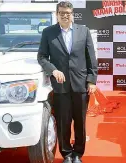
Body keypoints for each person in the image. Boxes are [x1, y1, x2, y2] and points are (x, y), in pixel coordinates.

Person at [37, 1, 98, 163]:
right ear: (57, 14)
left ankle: (78, 154)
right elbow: (42, 57)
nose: (65, 15)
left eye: (68, 13)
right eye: (62, 12)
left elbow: (91, 58)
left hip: (81, 85)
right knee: (63, 122)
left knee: (80, 122)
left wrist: (92, 81)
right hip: (60, 86)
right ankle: (67, 154)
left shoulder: (83, 31)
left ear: (72, 14)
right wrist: (53, 70)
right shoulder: (48, 32)